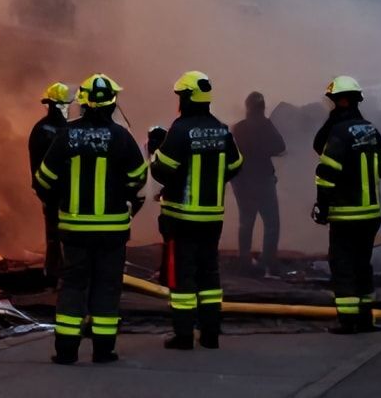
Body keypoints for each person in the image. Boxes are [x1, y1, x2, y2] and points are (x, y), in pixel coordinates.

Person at [33, 74, 147, 366]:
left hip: (74, 229)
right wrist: (124, 197)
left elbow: (44, 180)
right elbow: (139, 178)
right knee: (107, 287)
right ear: (112, 104)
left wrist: (61, 200)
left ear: (83, 103)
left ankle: (67, 351)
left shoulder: (66, 135)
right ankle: (103, 350)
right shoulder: (122, 137)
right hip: (113, 230)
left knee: (72, 286)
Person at [152, 71, 243, 350]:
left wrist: (156, 148)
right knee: (209, 274)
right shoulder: (222, 129)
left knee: (183, 276)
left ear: (188, 97)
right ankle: (211, 334)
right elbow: (235, 165)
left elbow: (161, 170)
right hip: (212, 217)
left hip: (181, 218)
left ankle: (183, 335)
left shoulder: (179, 130)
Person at [312, 75, 381, 335]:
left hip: (346, 214)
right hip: (371, 214)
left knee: (343, 265)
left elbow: (325, 173)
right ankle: (366, 319)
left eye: (334, 102)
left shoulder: (339, 133)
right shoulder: (370, 129)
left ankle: (347, 321)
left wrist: (322, 207)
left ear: (341, 100)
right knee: (362, 265)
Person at [231, 91, 286, 276]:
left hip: (241, 181)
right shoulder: (265, 124)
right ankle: (267, 262)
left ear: (247, 107)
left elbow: (230, 152)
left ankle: (244, 262)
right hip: (263, 179)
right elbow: (280, 146)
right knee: (272, 223)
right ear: (262, 107)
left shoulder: (238, 128)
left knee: (246, 222)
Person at [27, 83, 73, 283]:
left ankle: (53, 273)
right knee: (67, 235)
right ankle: (62, 273)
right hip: (67, 192)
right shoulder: (67, 130)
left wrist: (41, 190)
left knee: (53, 235)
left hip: (49, 191)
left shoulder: (40, 129)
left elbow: (36, 165)